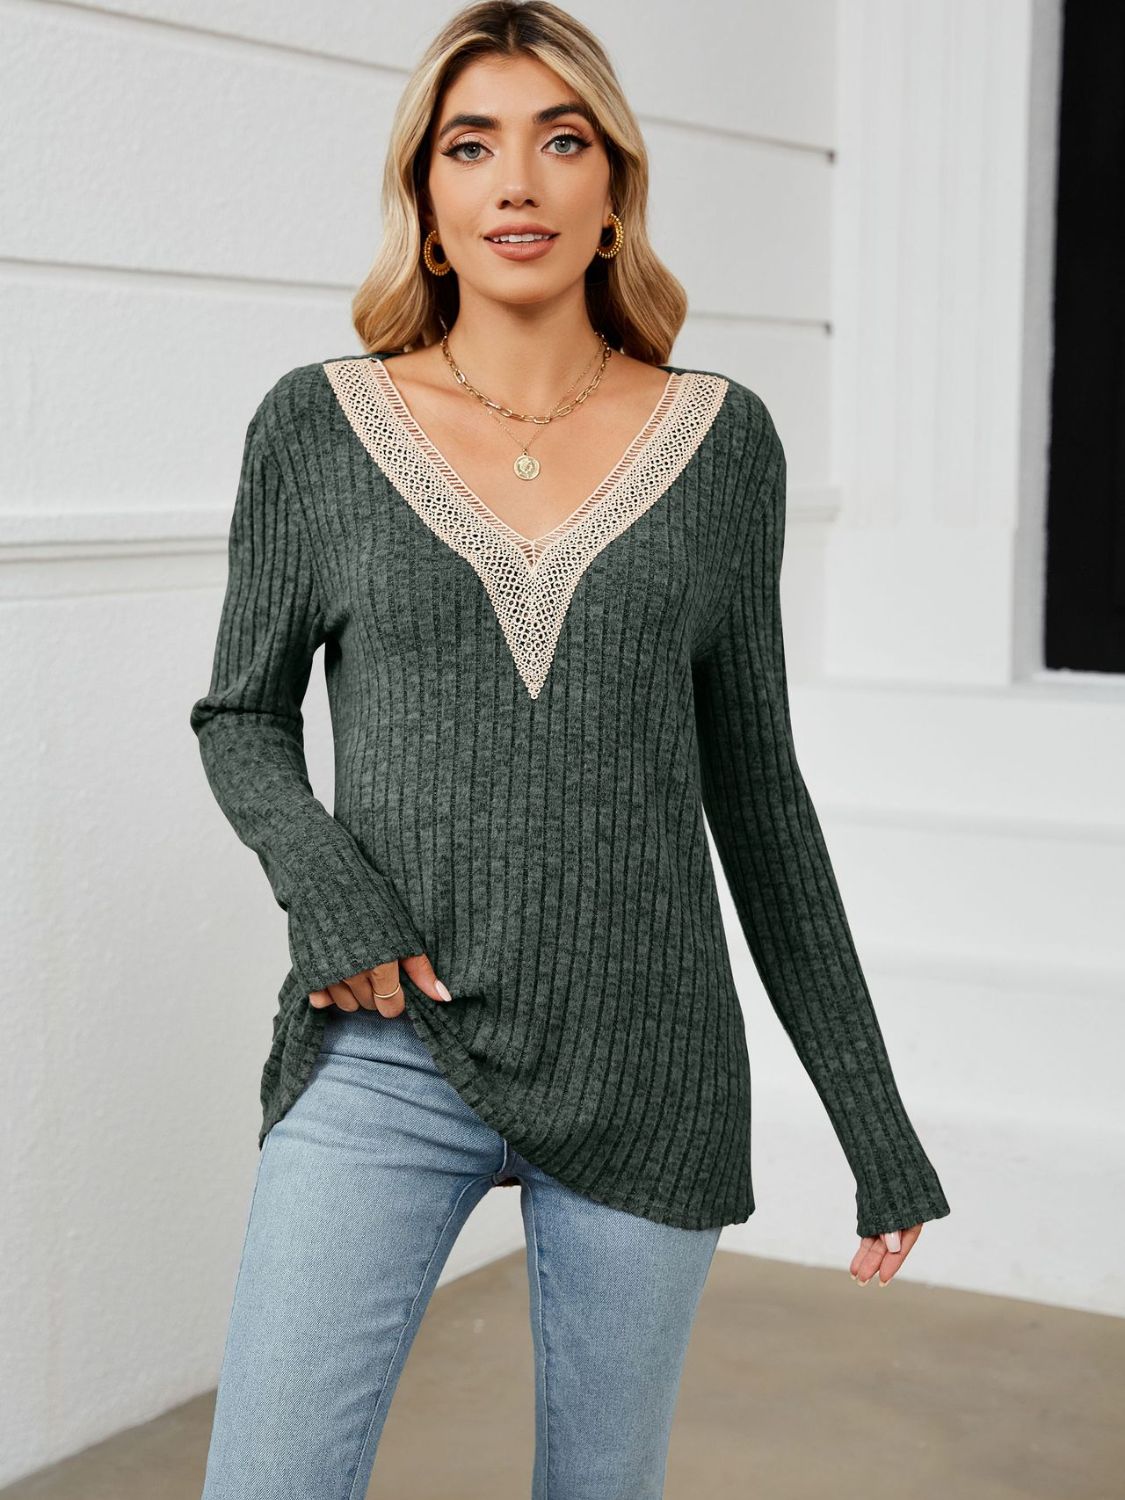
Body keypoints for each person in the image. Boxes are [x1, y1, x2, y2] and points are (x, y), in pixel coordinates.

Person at [189, 3, 951, 1495]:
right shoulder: (317, 427)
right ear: (426, 199)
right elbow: (242, 716)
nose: (517, 183)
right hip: (388, 1049)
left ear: (615, 190)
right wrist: (325, 886)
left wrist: (872, 1117)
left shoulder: (723, 444)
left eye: (562, 141)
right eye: (471, 147)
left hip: (651, 1068)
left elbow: (761, 800)